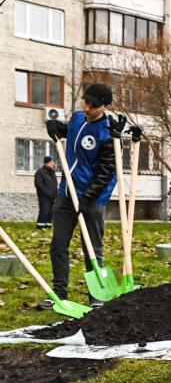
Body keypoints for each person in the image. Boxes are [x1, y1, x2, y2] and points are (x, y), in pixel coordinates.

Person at [43, 83, 129, 309]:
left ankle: (96, 297)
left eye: (94, 105)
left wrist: (86, 199)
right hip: (65, 194)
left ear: (106, 106)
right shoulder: (78, 117)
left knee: (92, 249)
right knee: (58, 245)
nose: (88, 108)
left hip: (91, 199)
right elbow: (72, 135)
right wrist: (56, 128)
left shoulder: (108, 134)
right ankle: (59, 293)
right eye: (86, 102)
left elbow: (105, 173)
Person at [34, 156, 57, 229]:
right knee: (44, 210)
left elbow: (55, 184)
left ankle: (48, 225)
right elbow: (38, 184)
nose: (53, 164)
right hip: (44, 196)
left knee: (50, 211)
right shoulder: (40, 172)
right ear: (46, 163)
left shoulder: (52, 172)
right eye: (51, 162)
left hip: (52, 196)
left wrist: (56, 193)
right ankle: (40, 226)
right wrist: (47, 192)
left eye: (53, 162)